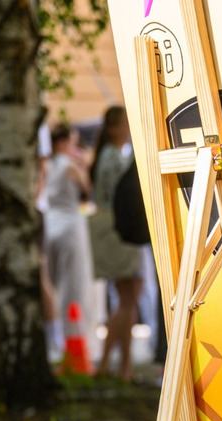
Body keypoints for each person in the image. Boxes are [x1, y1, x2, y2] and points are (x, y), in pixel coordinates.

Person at [89, 106, 143, 381]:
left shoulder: (110, 156)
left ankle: (120, 365)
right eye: (125, 123)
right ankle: (112, 363)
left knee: (128, 298)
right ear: (113, 128)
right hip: (119, 231)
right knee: (128, 298)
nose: (128, 128)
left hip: (114, 230)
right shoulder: (114, 158)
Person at [40, 121, 94, 367]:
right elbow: (87, 189)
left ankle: (55, 341)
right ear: (63, 143)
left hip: (50, 225)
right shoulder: (70, 165)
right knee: (72, 286)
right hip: (71, 227)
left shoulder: (45, 165)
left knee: (52, 284)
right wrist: (83, 166)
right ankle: (72, 343)